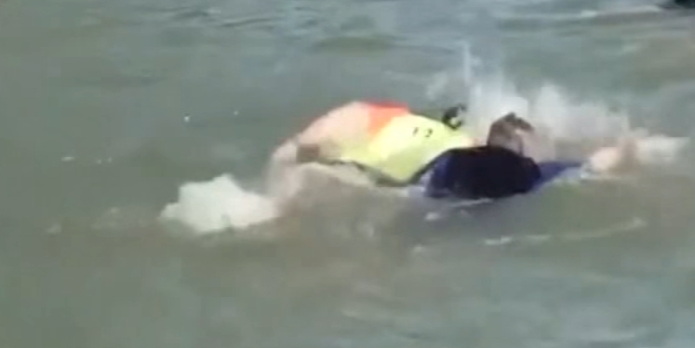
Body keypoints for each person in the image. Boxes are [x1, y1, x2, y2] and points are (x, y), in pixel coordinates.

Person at [417, 113, 630, 202]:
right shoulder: (528, 172)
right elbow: (595, 164)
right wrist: (626, 146)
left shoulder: (452, 161)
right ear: (520, 146)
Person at [267, 99, 475, 187]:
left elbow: (303, 146)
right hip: (439, 152)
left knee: (299, 161)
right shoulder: (457, 136)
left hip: (395, 162)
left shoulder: (358, 118)